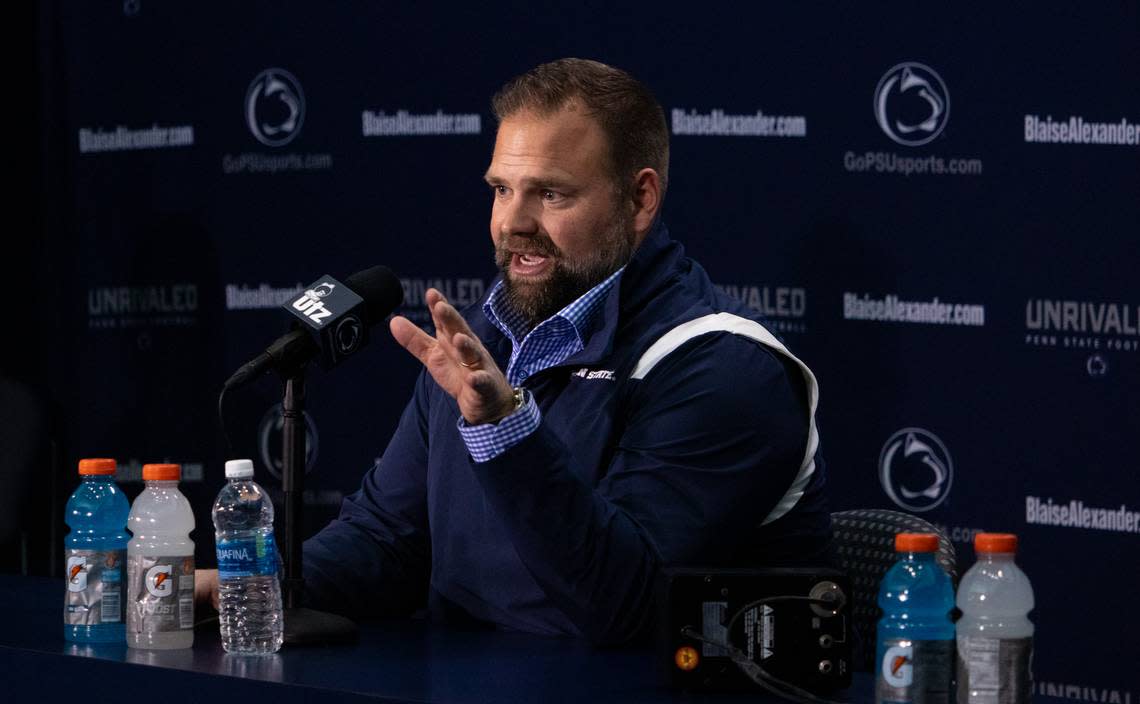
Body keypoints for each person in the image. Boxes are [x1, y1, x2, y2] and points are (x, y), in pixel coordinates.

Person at [197, 58, 832, 645]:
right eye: (501, 189)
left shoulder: (722, 365)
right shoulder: (486, 334)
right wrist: (231, 589)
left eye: (550, 194)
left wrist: (506, 431)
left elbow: (626, 607)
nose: (512, 223)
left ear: (640, 199)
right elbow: (389, 541)